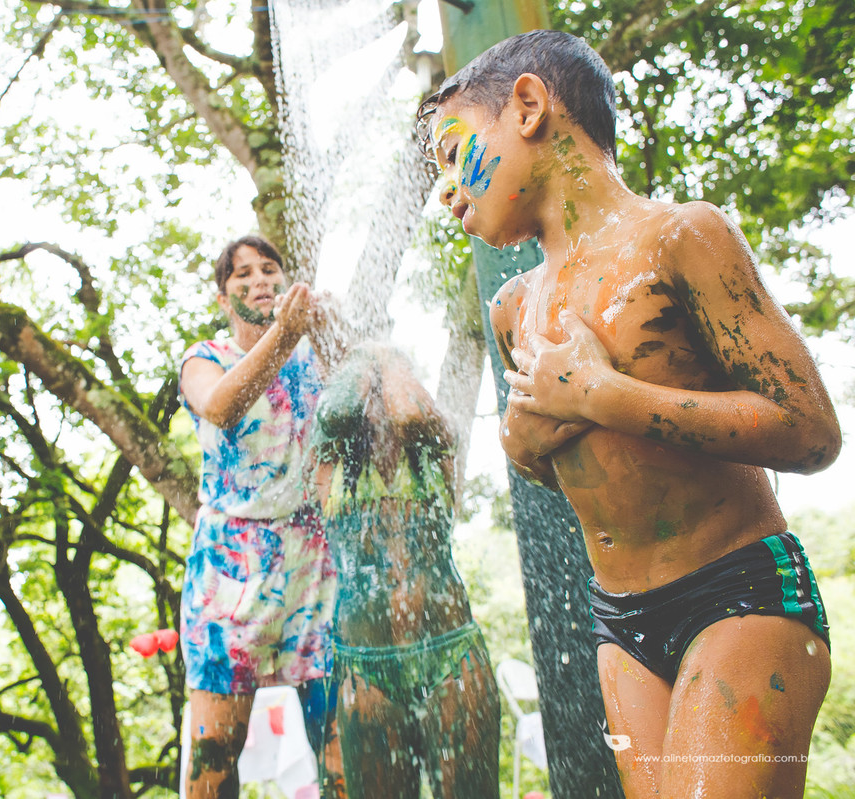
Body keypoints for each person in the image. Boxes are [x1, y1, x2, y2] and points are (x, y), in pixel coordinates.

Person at [416, 30, 841, 798]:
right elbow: (571, 465)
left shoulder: (679, 238)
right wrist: (523, 441)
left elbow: (810, 430)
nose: (444, 191)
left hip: (738, 590)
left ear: (530, 106)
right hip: (621, 620)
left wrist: (609, 397)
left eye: (453, 154)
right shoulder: (516, 307)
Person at [177, 235, 342, 797]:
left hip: (314, 565)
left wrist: (330, 333)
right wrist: (284, 335)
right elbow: (221, 407)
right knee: (214, 756)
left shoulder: (314, 356)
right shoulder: (205, 358)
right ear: (225, 299)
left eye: (269, 269)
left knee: (344, 753)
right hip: (230, 572)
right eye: (241, 275)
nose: (259, 280)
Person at [307, 344, 499, 798]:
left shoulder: (437, 443)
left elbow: (411, 412)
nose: (380, 399)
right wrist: (360, 362)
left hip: (452, 655)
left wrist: (387, 356)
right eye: (370, 388)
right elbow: (336, 412)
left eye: (388, 383)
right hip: (366, 668)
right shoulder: (329, 461)